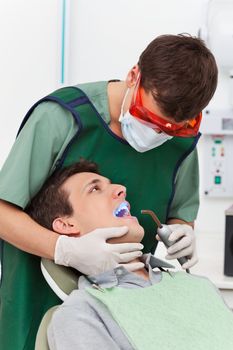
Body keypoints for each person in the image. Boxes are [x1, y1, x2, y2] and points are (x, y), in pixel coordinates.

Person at [0, 34, 218, 349]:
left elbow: (179, 214)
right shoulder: (62, 118)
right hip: (35, 293)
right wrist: (65, 249)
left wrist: (183, 231)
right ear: (134, 76)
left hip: (126, 305)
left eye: (173, 129)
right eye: (151, 120)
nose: (158, 136)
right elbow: (4, 210)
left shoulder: (180, 142)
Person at [27, 160, 233, 350]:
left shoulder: (198, 285)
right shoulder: (81, 314)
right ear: (66, 224)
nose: (121, 190)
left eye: (112, 185)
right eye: (95, 189)